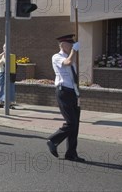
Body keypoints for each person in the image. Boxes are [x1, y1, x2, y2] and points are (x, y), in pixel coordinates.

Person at [47, 34, 85, 162]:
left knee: (76, 125)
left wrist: (78, 93)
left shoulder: (71, 57)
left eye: (73, 44)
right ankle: (53, 140)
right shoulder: (57, 57)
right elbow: (68, 63)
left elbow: (73, 75)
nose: (72, 46)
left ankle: (71, 153)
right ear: (63, 45)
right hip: (63, 92)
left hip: (73, 92)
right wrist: (74, 50)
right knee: (71, 122)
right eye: (70, 44)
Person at [0, 44, 16, 109]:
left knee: (10, 87)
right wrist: (0, 58)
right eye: (4, 48)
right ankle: (0, 102)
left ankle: (10, 103)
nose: (5, 49)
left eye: (7, 48)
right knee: (1, 87)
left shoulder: (11, 56)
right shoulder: (0, 55)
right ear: (3, 48)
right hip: (1, 73)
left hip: (10, 73)